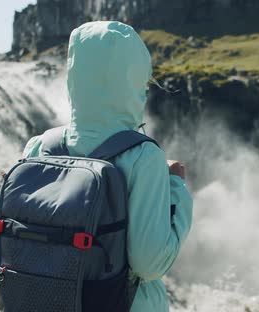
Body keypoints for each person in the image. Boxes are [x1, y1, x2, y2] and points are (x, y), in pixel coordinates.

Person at [20, 21, 193, 312]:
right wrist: (177, 187)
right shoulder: (142, 156)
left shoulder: (40, 146)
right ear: (134, 78)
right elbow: (150, 264)